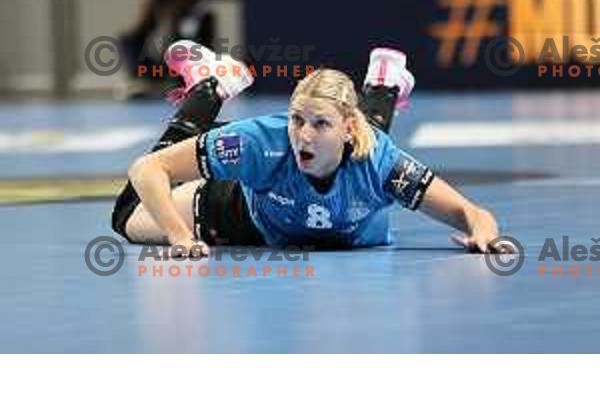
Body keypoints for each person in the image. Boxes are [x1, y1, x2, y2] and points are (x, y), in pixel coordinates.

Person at [111, 42, 502, 256]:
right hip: (243, 217)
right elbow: (147, 169)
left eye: (319, 123)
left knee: (363, 150)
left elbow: (471, 213)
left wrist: (482, 235)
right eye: (298, 120)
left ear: (349, 127)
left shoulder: (382, 162)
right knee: (127, 217)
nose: (304, 135)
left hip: (354, 162)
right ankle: (211, 86)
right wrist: (180, 237)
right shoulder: (261, 142)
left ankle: (384, 84)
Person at [118, 0, 232, 98]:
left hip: (193, 57)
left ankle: (194, 82)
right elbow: (141, 30)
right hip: (167, 59)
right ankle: (142, 82)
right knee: (127, 40)